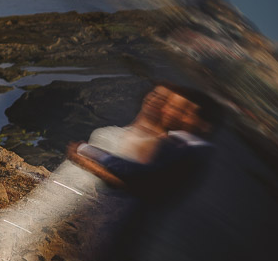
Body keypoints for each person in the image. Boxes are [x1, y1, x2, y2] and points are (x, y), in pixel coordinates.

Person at [67, 84, 218, 198]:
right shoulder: (179, 145)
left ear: (204, 126)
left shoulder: (185, 151)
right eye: (172, 107)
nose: (172, 113)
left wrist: (86, 154)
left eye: (183, 112)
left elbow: (137, 179)